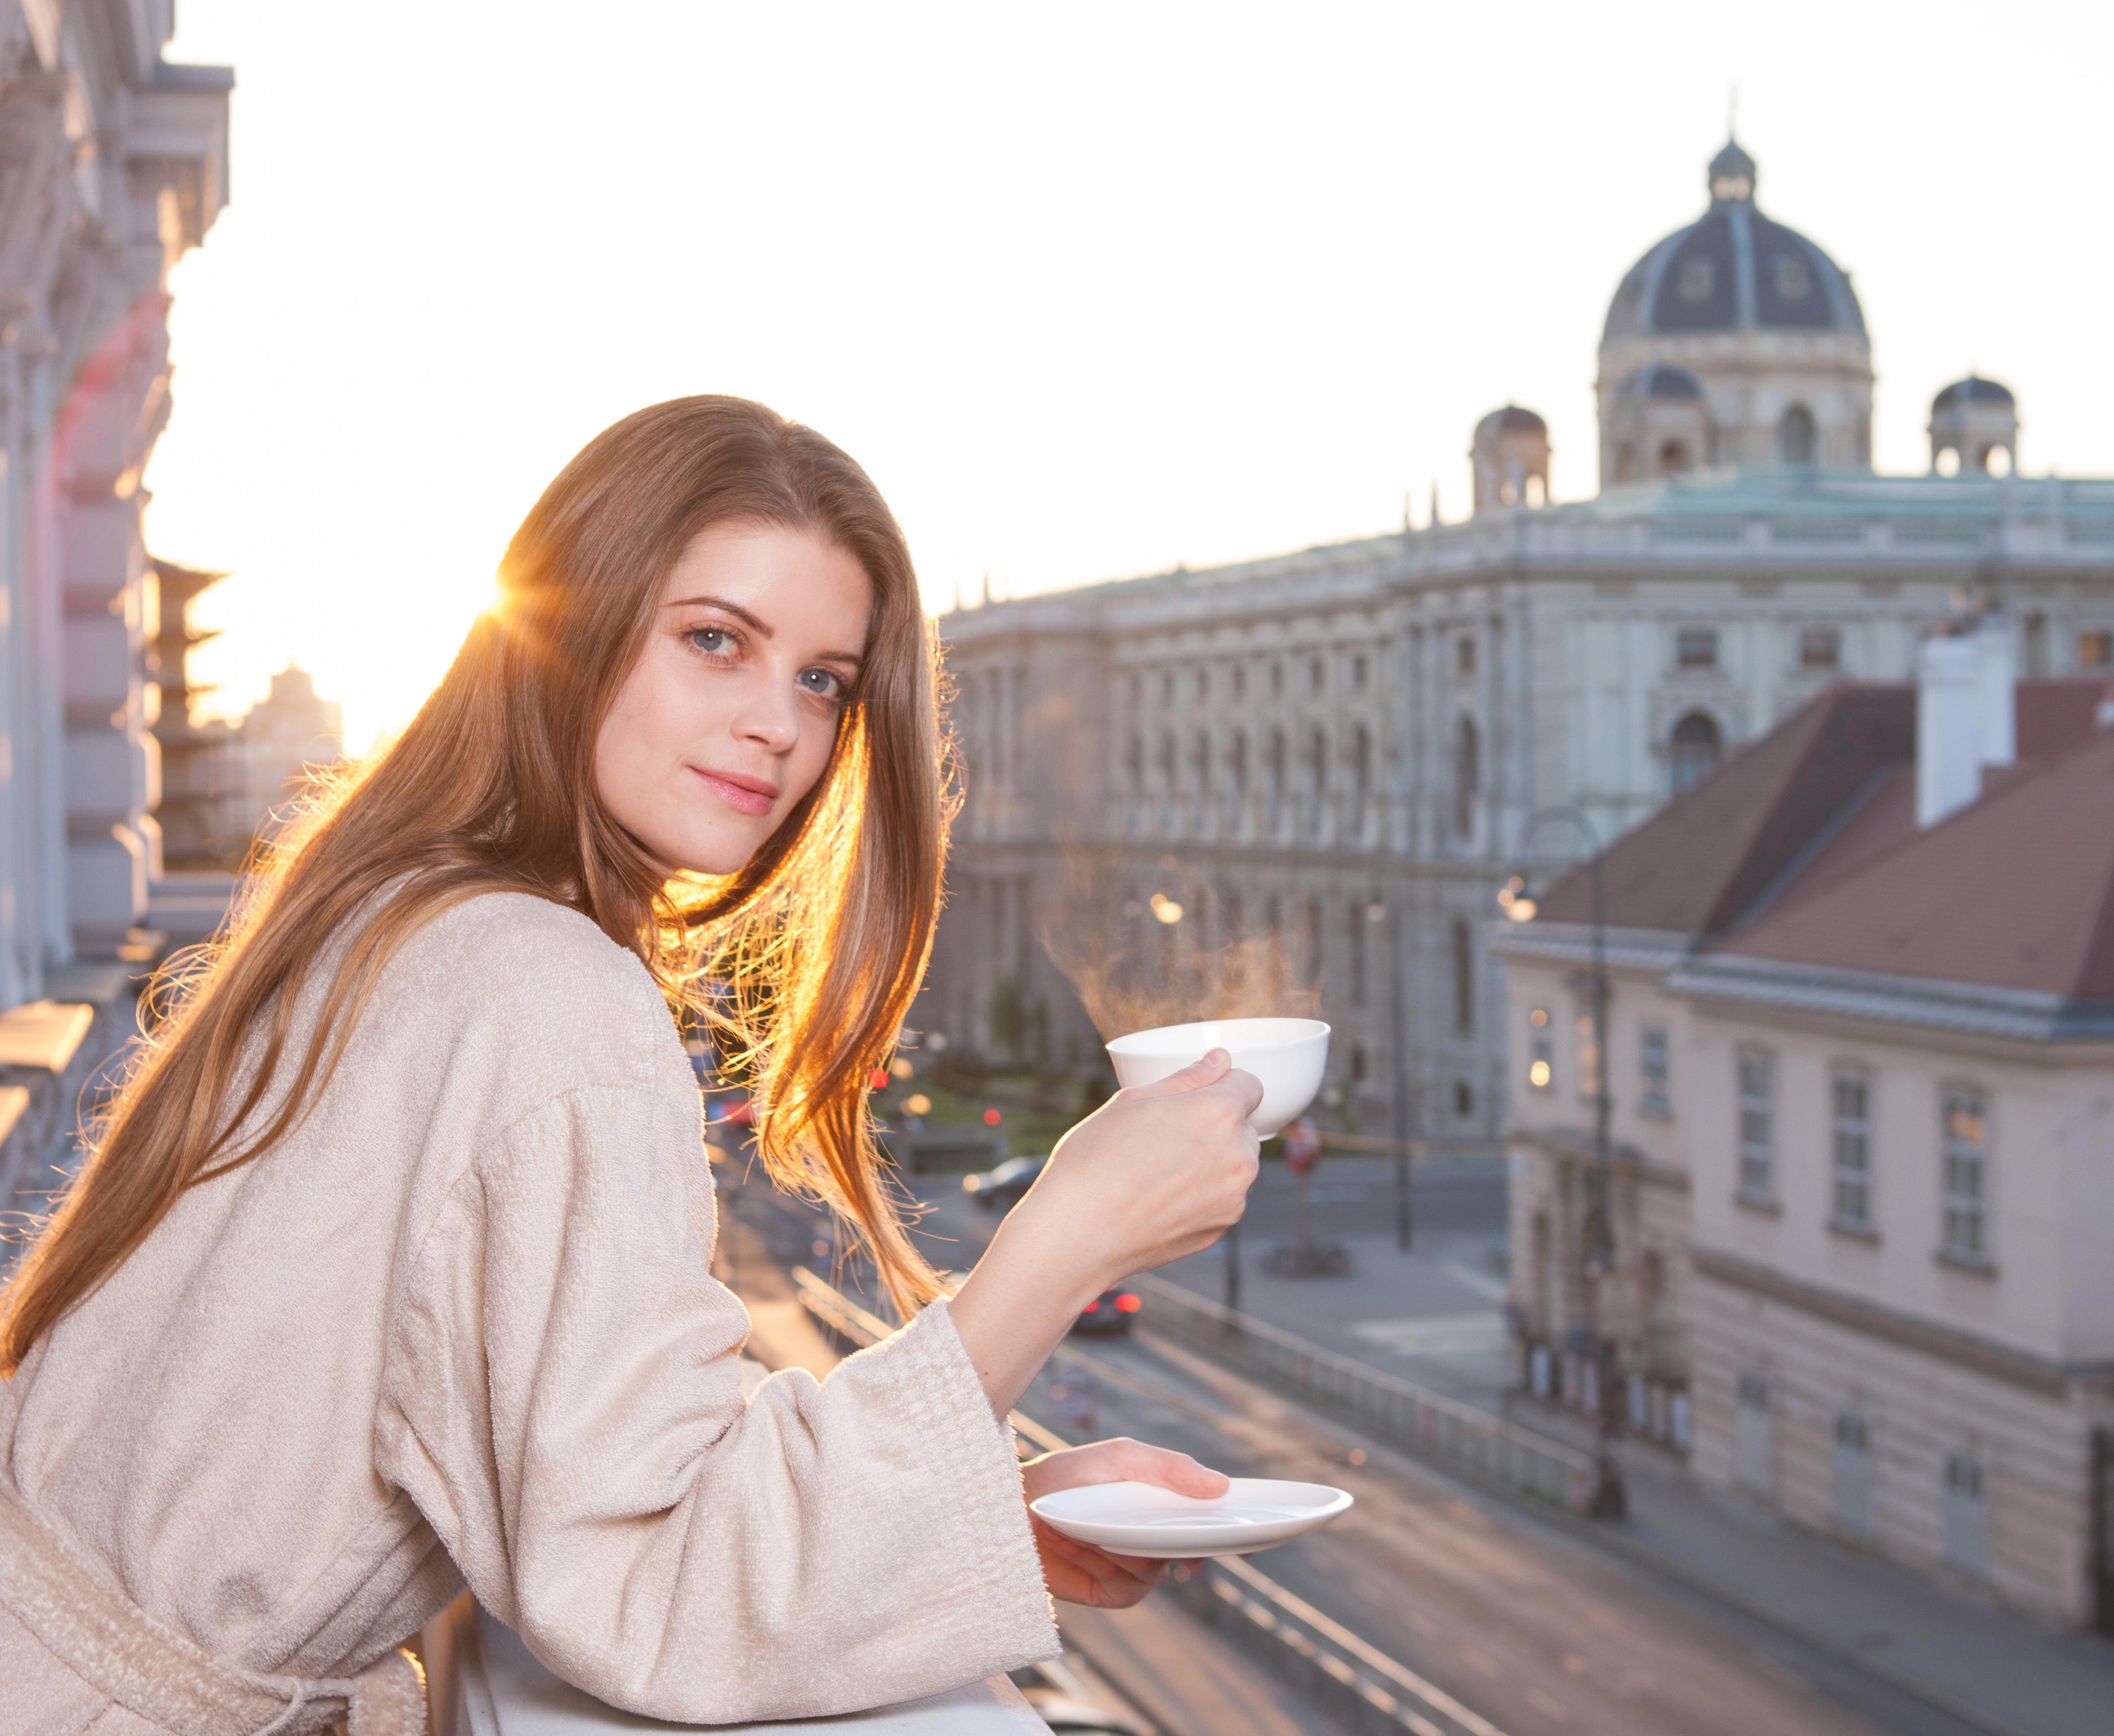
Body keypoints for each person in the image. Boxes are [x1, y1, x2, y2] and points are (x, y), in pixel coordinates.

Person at [0, 397, 1262, 1732]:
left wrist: (973, 1509)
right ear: (574, 627)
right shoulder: (543, 989)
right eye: (716, 641)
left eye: (822, 680)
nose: (778, 725)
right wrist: (1066, 1239)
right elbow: (661, 1592)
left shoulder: (404, 908)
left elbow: (586, 1406)